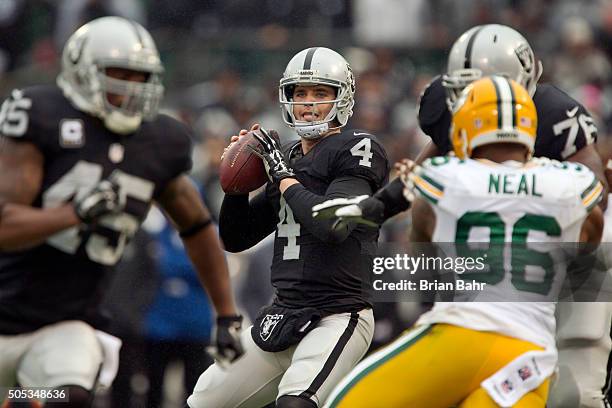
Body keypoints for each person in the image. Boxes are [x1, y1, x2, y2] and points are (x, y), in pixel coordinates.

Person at [321, 24, 612, 408]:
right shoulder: (461, 113)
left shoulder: (555, 113)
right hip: (514, 268)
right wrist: (380, 207)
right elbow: (430, 162)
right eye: (465, 88)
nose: (474, 98)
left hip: (557, 247)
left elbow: (594, 208)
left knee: (579, 376)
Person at [0, 16, 243, 407]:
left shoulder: (157, 143)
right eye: (119, 74)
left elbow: (198, 228)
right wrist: (76, 213)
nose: (131, 88)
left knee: (69, 396)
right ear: (82, 71)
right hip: (5, 303)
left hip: (66, 322)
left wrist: (226, 314)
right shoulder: (40, 116)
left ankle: (21, 397)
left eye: (140, 77)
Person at [186, 47, 390, 408]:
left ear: (342, 98)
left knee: (296, 402)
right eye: (300, 93)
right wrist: (235, 187)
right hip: (285, 312)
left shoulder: (357, 147)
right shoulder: (293, 157)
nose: (308, 103)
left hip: (337, 315)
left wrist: (282, 177)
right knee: (203, 402)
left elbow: (333, 225)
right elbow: (236, 238)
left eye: (320, 93)